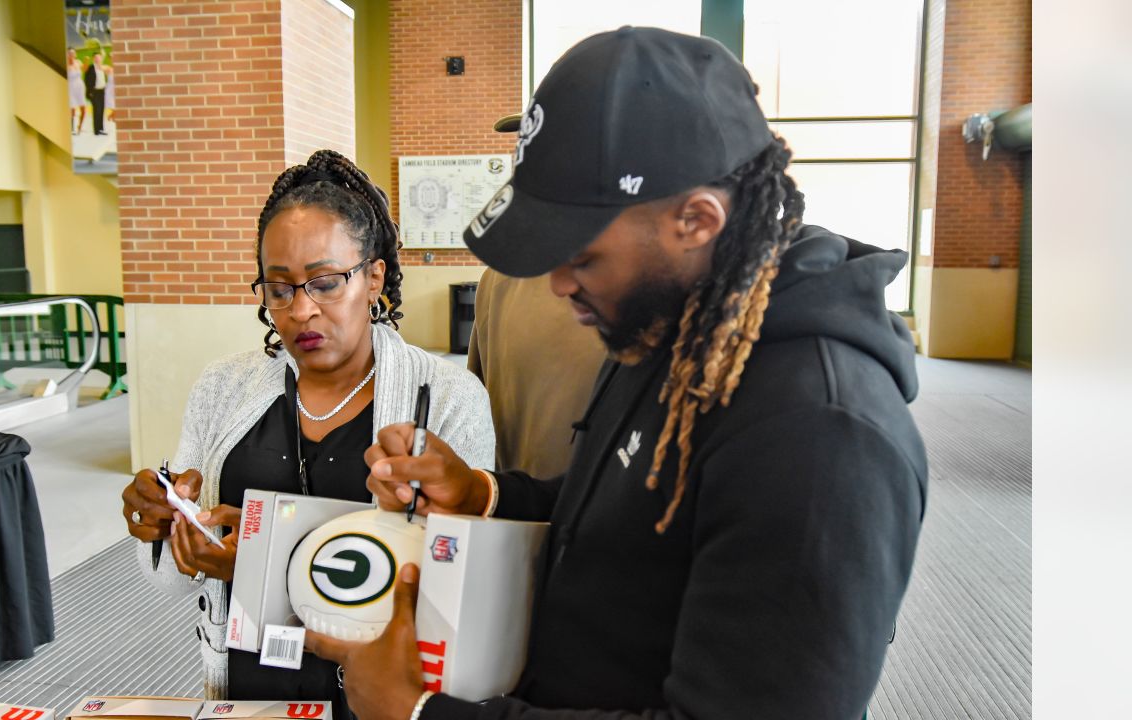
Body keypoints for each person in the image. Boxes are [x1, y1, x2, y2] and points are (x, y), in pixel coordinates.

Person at [305, 28, 928, 720]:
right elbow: (627, 513)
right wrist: (483, 492)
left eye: (582, 255)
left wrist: (420, 715)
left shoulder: (821, 435)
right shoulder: (672, 327)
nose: (558, 285)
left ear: (695, 220)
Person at [120, 149, 495, 716]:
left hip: (381, 693)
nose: (300, 310)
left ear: (374, 277)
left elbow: (456, 588)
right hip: (250, 685)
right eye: (278, 288)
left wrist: (258, 566)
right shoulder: (225, 388)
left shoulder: (444, 398)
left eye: (324, 283)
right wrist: (165, 523)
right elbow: (173, 584)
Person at [466, 265, 605, 477]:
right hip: (593, 497)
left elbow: (474, 408)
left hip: (510, 494)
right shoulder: (628, 278)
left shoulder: (496, 278)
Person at [84, 53, 107, 135]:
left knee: (101, 110)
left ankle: (101, 128)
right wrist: (90, 91)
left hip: (102, 91)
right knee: (97, 110)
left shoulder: (102, 67)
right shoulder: (91, 68)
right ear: (93, 59)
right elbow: (87, 79)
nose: (98, 59)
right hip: (95, 92)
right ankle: (96, 130)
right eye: (96, 58)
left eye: (99, 58)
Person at [66, 48, 86, 135]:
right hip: (71, 88)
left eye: (73, 53)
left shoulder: (78, 62)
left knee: (83, 109)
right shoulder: (66, 64)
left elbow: (84, 69)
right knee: (72, 109)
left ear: (75, 54)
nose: (71, 55)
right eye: (69, 53)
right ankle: (71, 128)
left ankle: (79, 127)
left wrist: (85, 62)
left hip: (80, 87)